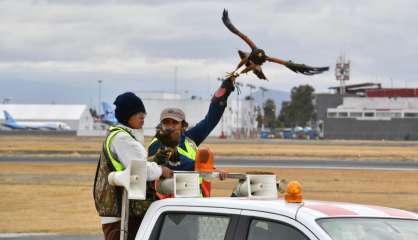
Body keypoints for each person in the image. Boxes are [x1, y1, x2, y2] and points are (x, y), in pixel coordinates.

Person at [93, 92, 172, 240]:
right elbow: (140, 170)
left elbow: (132, 165)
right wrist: (161, 170)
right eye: (139, 115)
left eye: (143, 115)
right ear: (127, 116)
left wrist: (152, 160)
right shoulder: (122, 138)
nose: (143, 118)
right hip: (120, 212)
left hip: (120, 210)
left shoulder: (120, 135)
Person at [148, 75, 236, 196]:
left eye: (174, 122)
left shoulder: (188, 138)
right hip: (170, 205)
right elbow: (179, 163)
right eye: (166, 122)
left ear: (183, 125)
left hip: (192, 200)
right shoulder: (158, 143)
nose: (170, 126)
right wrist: (211, 169)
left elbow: (209, 121)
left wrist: (221, 97)